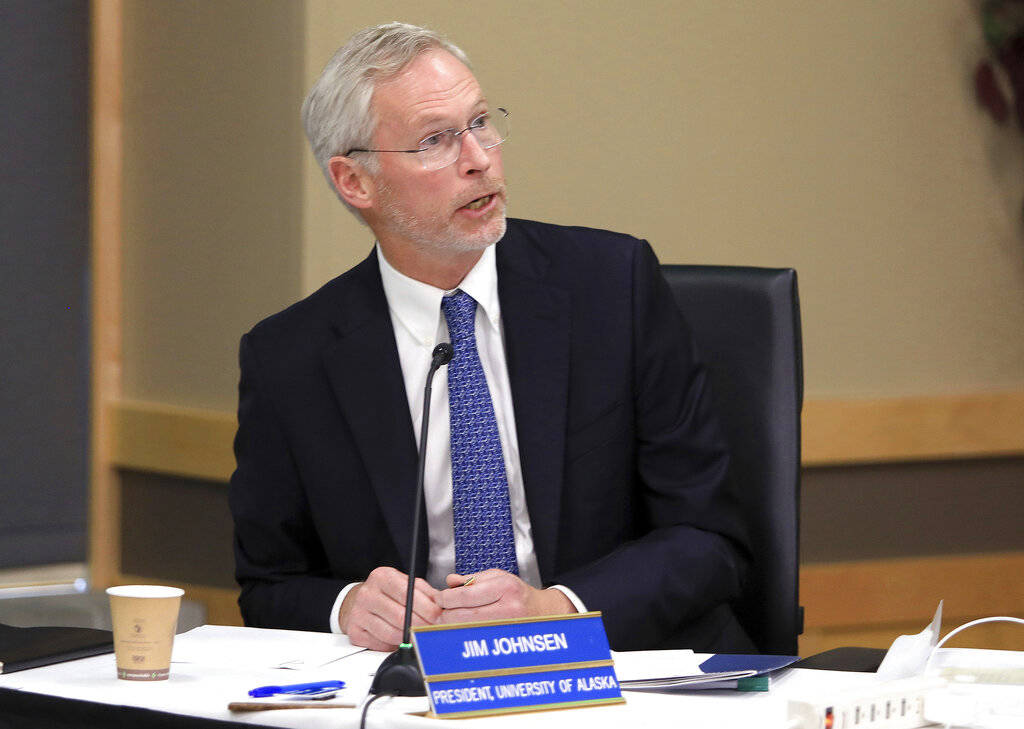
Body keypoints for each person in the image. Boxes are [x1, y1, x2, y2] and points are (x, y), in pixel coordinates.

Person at [229, 22, 755, 654]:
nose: (478, 157)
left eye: (479, 122)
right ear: (354, 182)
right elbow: (269, 584)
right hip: (419, 690)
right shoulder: (291, 358)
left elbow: (710, 538)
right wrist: (346, 607)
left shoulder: (612, 288)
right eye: (435, 140)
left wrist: (554, 610)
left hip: (623, 668)